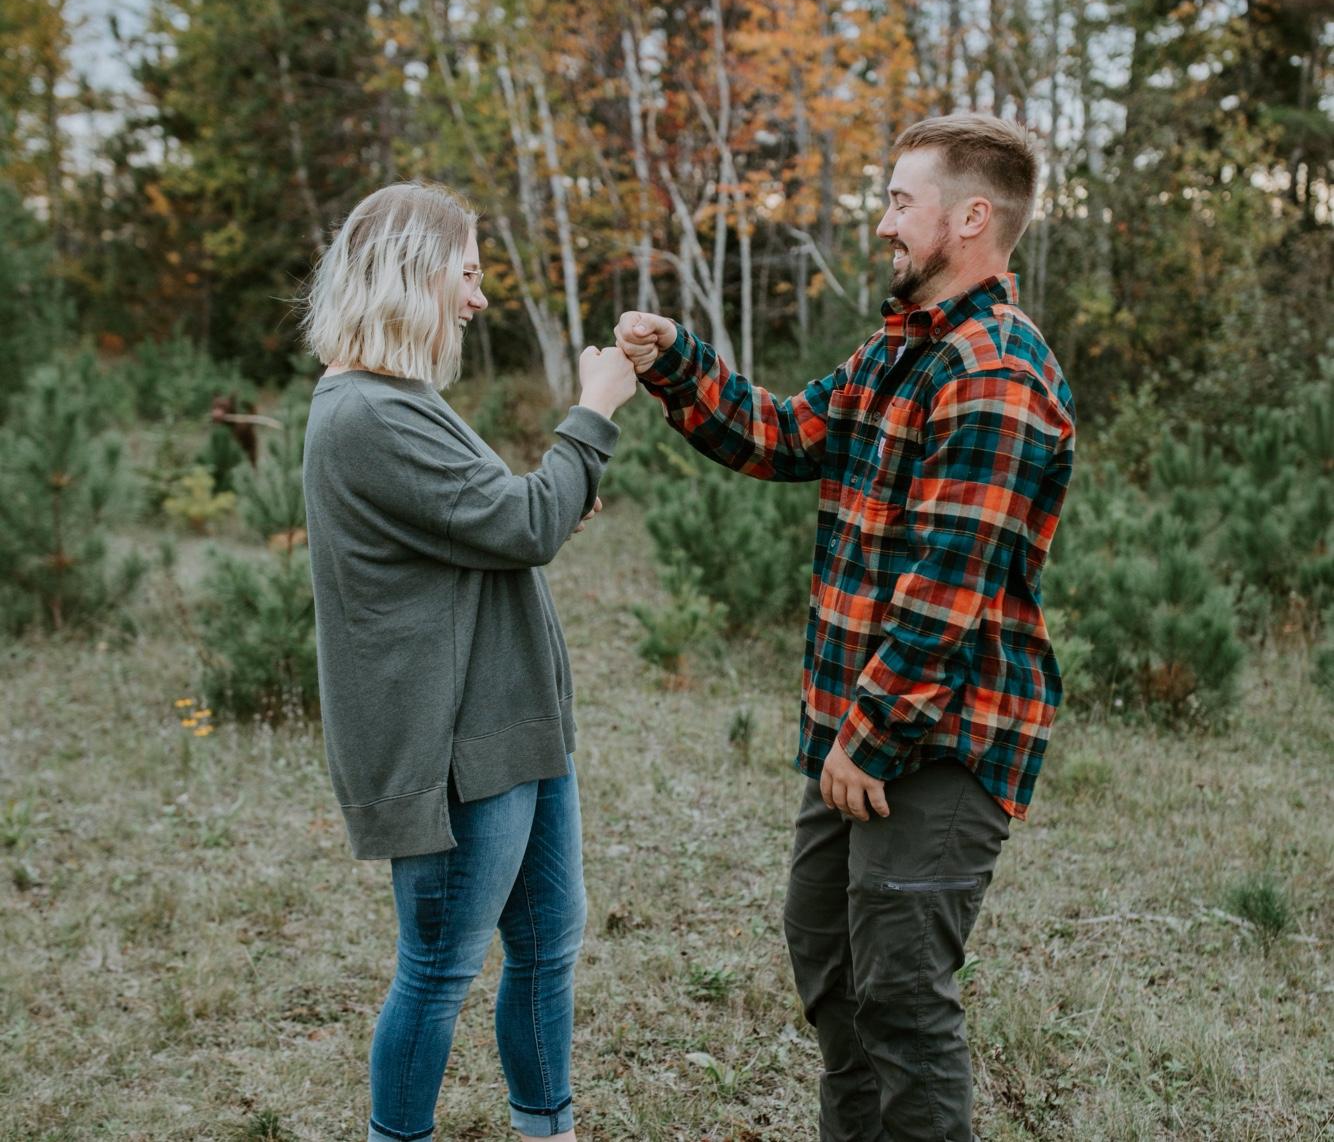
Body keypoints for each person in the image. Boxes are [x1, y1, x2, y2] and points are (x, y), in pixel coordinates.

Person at [615, 114, 1076, 1142]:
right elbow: (783, 435)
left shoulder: (994, 372)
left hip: (938, 737)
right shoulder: (896, 351)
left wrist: (866, 736)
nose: (883, 223)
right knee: (829, 965)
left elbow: (947, 586)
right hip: (855, 731)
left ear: (970, 217)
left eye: (901, 201)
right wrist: (677, 362)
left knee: (900, 997)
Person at [300, 180, 637, 1142]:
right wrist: (595, 409)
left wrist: (555, 499)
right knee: (439, 972)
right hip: (451, 745)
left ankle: (546, 1127)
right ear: (413, 273)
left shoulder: (402, 399)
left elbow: (502, 517)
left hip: (514, 724)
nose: (480, 298)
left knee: (545, 950)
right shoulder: (365, 413)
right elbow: (525, 522)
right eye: (470, 273)